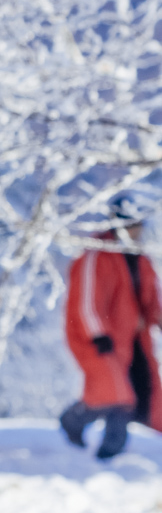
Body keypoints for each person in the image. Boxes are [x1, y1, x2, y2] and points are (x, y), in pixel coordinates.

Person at [61, 192, 162, 460]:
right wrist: (97, 334)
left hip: (130, 339)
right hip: (95, 337)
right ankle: (99, 445)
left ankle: (106, 452)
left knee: (138, 393)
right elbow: (86, 300)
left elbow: (151, 300)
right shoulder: (97, 253)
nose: (137, 230)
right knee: (115, 393)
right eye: (132, 224)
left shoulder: (140, 258)